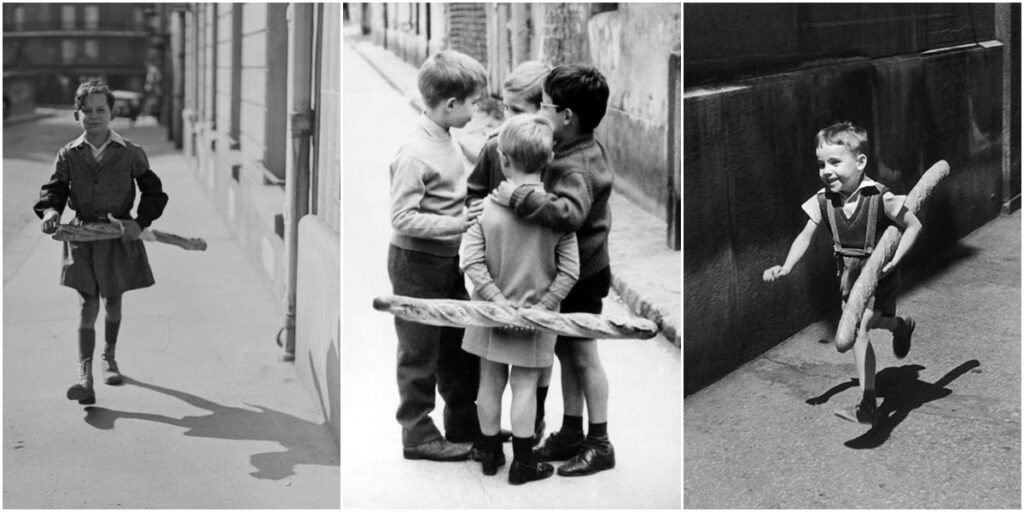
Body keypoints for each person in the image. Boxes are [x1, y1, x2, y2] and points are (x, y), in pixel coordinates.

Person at [490, 64, 616, 477]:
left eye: (542, 106)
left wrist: (521, 198)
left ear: (566, 116)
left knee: (583, 356)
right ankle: (573, 431)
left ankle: (600, 442)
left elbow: (571, 213)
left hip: (582, 276)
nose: (538, 112)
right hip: (577, 271)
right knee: (566, 353)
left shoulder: (575, 164)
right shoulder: (573, 148)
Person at [763, 121, 922, 425]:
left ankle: (868, 404)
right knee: (871, 323)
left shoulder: (880, 198)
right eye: (821, 163)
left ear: (860, 162)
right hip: (847, 277)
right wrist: (786, 265)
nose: (826, 170)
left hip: (878, 274)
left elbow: (914, 226)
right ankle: (900, 326)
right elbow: (805, 236)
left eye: (835, 162)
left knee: (860, 329)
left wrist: (895, 259)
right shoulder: (823, 200)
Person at [461, 114, 580, 485]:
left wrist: (498, 302)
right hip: (535, 319)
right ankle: (525, 463)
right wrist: (541, 309)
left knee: (490, 382)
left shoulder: (487, 210)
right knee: (526, 386)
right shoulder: (554, 214)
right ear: (547, 161)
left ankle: (489, 451)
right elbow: (570, 270)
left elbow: (471, 261)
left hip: (489, 313)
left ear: (503, 160)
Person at [35, 79, 169, 405]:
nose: (94, 116)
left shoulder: (131, 153)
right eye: (87, 111)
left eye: (101, 110)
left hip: (118, 237)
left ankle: (109, 356)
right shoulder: (68, 154)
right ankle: (85, 377)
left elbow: (155, 193)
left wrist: (139, 223)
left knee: (113, 300)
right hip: (82, 238)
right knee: (87, 305)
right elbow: (54, 191)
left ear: (112, 113)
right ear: (77, 114)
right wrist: (51, 211)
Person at [388, 49, 487, 462]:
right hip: (415, 265)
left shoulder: (446, 138)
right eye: (474, 103)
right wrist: (458, 224)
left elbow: (449, 196)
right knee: (419, 352)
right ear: (450, 105)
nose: (477, 110)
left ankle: (463, 424)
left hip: (445, 262)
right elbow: (403, 217)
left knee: (458, 344)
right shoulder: (414, 153)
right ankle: (417, 434)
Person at [464, 60, 553, 443]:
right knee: (514, 378)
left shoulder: (552, 155)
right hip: (513, 288)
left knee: (524, 376)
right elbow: (473, 195)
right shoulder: (492, 148)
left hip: (512, 288)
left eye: (516, 112)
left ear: (541, 111)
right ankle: (519, 447)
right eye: (505, 109)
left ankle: (528, 430)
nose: (506, 122)